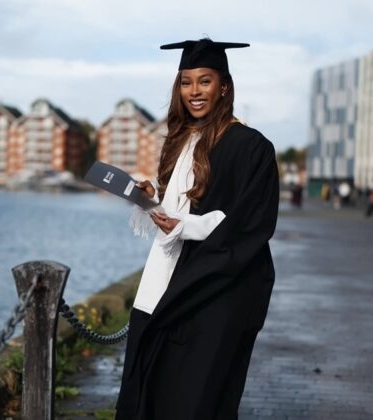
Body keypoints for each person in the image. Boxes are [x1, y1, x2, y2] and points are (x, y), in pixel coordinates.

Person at [116, 39, 279, 419]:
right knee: (151, 384)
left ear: (224, 85)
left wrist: (183, 224)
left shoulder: (251, 146)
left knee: (195, 398)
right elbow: (178, 210)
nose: (194, 92)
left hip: (218, 286)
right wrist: (151, 199)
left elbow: (250, 223)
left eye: (204, 81)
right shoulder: (179, 139)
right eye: (186, 82)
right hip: (166, 276)